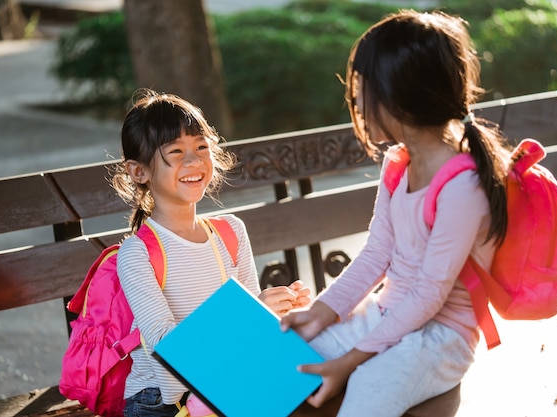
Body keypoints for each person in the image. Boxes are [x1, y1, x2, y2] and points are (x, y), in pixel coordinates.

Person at [281, 10, 511, 417]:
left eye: (362, 91)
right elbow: (376, 254)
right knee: (290, 363)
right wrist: (321, 312)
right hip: (387, 314)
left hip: (442, 338)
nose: (355, 103)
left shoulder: (462, 186)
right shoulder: (398, 164)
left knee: (367, 389)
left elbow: (428, 295)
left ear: (400, 96)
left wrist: (350, 360)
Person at [112, 89, 311, 417]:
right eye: (175, 151)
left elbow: (249, 332)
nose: (193, 161)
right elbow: (169, 357)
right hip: (161, 403)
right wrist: (252, 312)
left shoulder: (230, 232)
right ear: (139, 171)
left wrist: (282, 309)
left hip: (220, 384)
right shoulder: (138, 254)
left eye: (201, 147)